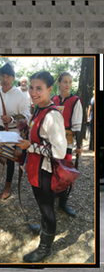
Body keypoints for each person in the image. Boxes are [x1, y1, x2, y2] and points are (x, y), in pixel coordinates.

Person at [15, 71, 67, 263]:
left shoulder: (53, 115)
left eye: (39, 89)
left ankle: (46, 247)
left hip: (45, 171)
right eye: (31, 87)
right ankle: (45, 231)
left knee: (47, 209)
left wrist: (32, 147)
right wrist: (25, 129)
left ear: (49, 89)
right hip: (35, 169)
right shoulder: (37, 109)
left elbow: (60, 152)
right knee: (42, 205)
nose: (33, 92)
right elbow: (38, 135)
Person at [0, 63, 31, 200]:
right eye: (2, 76)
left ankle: (7, 186)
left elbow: (26, 115)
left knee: (10, 161)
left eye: (7, 76)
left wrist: (11, 118)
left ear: (12, 78)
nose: (4, 79)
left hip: (11, 133)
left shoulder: (19, 95)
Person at [50, 72, 83, 218]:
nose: (68, 85)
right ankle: (51, 196)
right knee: (52, 169)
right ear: (59, 83)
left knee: (65, 172)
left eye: (70, 82)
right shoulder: (53, 100)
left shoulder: (75, 101)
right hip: (52, 140)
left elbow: (77, 125)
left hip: (67, 141)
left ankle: (63, 202)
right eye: (64, 82)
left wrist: (79, 145)